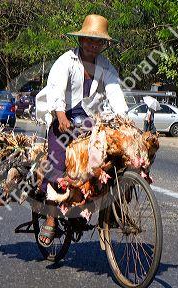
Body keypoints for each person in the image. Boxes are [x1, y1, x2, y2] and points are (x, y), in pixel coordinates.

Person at [36, 14, 128, 247]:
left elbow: (115, 92)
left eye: (98, 42)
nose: (93, 45)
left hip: (88, 121)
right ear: (81, 40)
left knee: (114, 156)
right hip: (63, 116)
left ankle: (113, 206)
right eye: (88, 40)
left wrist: (124, 118)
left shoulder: (106, 66)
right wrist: (59, 113)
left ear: (103, 44)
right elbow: (56, 87)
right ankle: (51, 216)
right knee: (57, 160)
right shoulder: (66, 61)